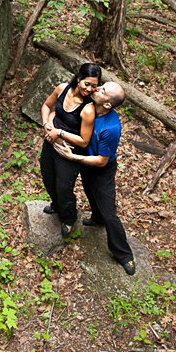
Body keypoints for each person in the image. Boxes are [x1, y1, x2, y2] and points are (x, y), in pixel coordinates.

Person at [55, 82, 135, 276]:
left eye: (102, 90)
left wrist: (73, 157)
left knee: (109, 213)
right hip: (85, 162)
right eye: (101, 86)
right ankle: (95, 217)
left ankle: (124, 254)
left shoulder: (111, 128)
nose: (97, 88)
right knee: (90, 192)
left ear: (107, 104)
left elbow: (101, 161)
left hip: (101, 169)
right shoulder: (88, 106)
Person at [39, 63, 101, 237]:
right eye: (86, 84)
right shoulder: (62, 89)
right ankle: (57, 206)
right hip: (50, 143)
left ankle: (68, 218)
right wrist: (47, 124)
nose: (89, 89)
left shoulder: (88, 109)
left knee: (64, 188)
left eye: (94, 86)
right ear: (79, 78)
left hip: (69, 152)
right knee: (48, 179)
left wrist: (60, 132)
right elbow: (46, 106)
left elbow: (84, 141)